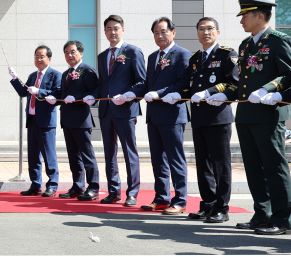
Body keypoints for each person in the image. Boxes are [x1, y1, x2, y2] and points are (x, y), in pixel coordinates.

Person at [208, 0, 291, 235]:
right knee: (253, 168)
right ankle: (262, 214)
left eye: (245, 15)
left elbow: (289, 75)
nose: (242, 20)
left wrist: (270, 90)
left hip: (268, 114)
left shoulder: (279, 41)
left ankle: (282, 218)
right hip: (246, 114)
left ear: (261, 17)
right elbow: (243, 82)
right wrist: (224, 95)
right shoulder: (245, 45)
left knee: (274, 167)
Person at [175, 17, 237, 223]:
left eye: (210, 29)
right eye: (201, 29)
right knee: (202, 164)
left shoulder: (227, 54)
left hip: (218, 117)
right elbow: (189, 87)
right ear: (197, 33)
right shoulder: (195, 59)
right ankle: (208, 204)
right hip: (199, 118)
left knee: (221, 164)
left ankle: (222, 207)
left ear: (217, 32)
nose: (205, 32)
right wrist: (175, 94)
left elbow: (233, 82)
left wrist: (209, 91)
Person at [86, 15, 146, 207]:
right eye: (109, 29)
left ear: (123, 29)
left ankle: (132, 192)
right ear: (104, 32)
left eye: (116, 28)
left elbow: (141, 82)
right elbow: (102, 83)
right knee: (109, 152)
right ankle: (114, 191)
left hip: (126, 110)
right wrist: (93, 97)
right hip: (105, 110)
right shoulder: (102, 56)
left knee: (130, 151)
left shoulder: (133, 52)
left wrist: (128, 95)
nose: (112, 32)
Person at [141, 17, 192, 215]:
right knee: (157, 159)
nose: (160, 36)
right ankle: (161, 198)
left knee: (175, 159)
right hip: (153, 115)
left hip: (172, 115)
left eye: (163, 31)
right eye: (156, 32)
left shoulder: (183, 55)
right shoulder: (153, 57)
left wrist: (160, 93)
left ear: (173, 32)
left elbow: (183, 83)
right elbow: (148, 84)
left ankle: (179, 200)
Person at [46, 41, 99, 200]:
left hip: (81, 120)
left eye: (72, 52)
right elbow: (62, 95)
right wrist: (54, 99)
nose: (69, 55)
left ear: (81, 53)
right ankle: (77, 186)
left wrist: (77, 98)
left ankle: (93, 187)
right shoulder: (66, 74)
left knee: (87, 155)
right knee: (73, 157)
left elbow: (95, 91)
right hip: (67, 120)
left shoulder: (88, 70)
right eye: (66, 53)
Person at [9, 45, 61, 197]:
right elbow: (23, 92)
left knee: (48, 155)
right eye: (36, 56)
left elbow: (57, 93)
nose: (38, 59)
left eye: (42, 56)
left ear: (49, 59)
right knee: (33, 155)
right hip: (31, 121)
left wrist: (41, 92)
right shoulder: (33, 75)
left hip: (45, 122)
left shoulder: (55, 75)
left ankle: (52, 185)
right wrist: (14, 78)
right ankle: (36, 184)